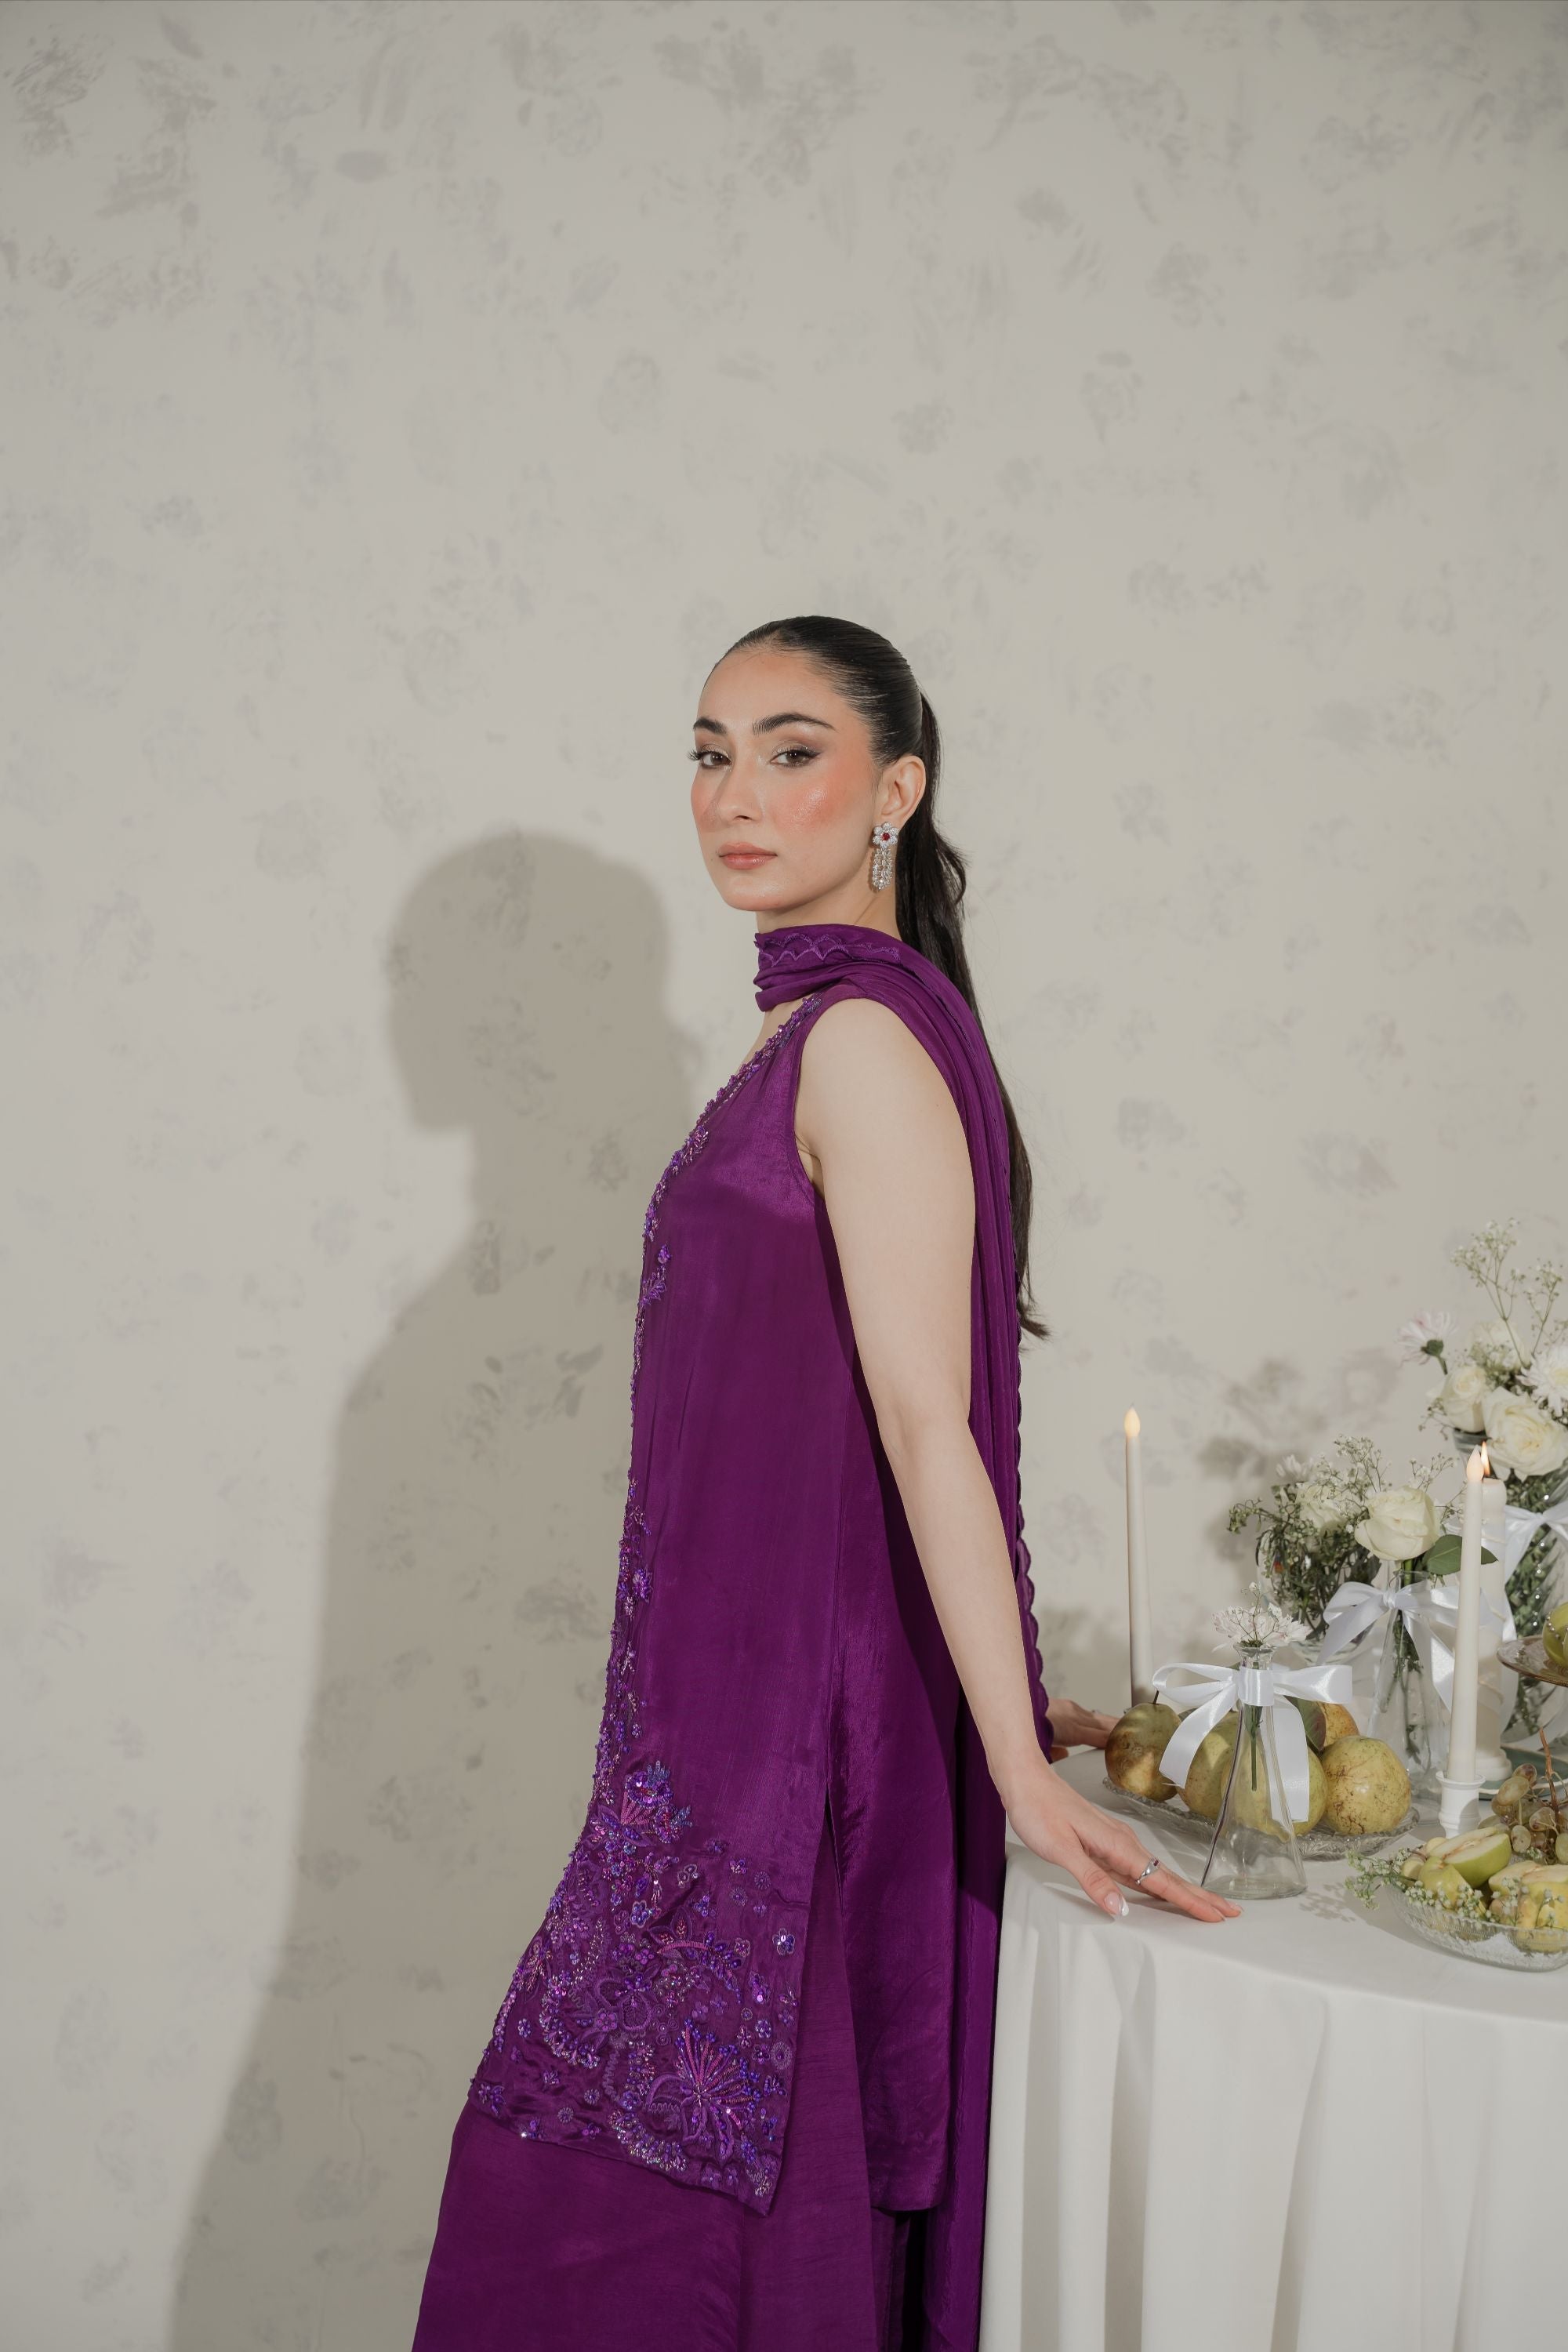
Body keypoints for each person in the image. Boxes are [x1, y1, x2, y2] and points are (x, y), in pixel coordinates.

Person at [408, 615, 1237, 2352]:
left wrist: (1004, 1754)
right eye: (710, 754)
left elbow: (928, 1426)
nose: (734, 795)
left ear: (895, 790)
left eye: (791, 753)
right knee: (613, 2203)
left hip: (775, 1760)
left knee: (652, 2227)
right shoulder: (814, 1043)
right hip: (712, 1736)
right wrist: (985, 1686)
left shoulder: (859, 1044)